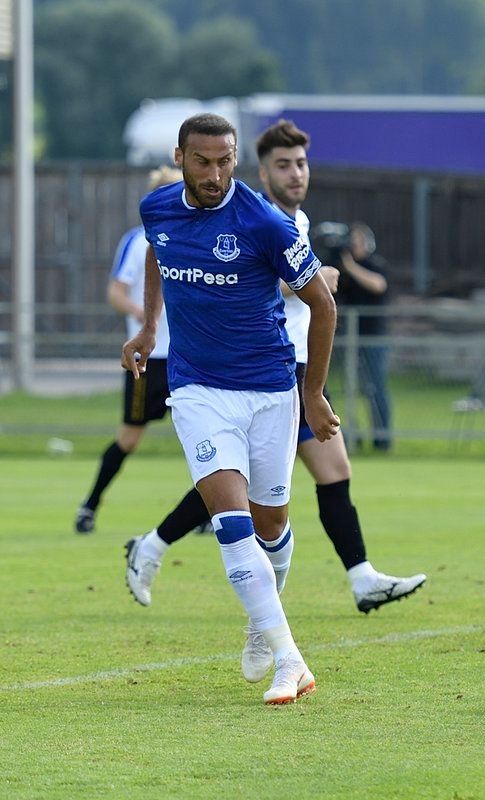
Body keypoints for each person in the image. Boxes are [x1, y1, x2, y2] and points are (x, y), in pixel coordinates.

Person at [124, 120, 426, 639]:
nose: (295, 174)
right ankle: (166, 555)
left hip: (295, 372)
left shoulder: (296, 223)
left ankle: (357, 577)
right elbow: (208, 268)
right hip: (248, 372)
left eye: (302, 164)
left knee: (318, 476)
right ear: (263, 172)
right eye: (284, 165)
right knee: (235, 486)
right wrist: (151, 326)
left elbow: (306, 296)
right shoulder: (253, 219)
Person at [121, 112, 339, 705]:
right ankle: (291, 661)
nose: (215, 175)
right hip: (197, 390)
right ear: (181, 157)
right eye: (202, 162)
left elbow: (323, 305)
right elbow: (156, 253)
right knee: (230, 521)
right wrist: (149, 326)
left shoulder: (265, 223)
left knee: (272, 524)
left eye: (225, 162)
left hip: (270, 390)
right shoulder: (159, 209)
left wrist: (312, 394)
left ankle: (261, 624)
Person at [74, 167, 184, 534]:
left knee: (206, 438)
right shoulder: (138, 241)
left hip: (191, 358)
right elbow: (115, 293)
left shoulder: (198, 238)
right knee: (129, 439)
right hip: (149, 360)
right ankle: (89, 505)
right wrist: (143, 312)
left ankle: (207, 514)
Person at [338, 222, 392, 452]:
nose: (354, 245)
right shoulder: (343, 268)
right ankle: (352, 437)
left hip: (373, 338)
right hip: (350, 340)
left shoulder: (374, 265)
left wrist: (350, 267)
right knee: (351, 388)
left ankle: (382, 438)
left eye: (358, 241)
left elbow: (379, 285)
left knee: (375, 387)